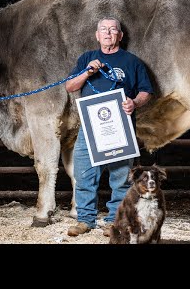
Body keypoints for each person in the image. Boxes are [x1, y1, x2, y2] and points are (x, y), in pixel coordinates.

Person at [65, 16, 153, 237]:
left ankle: (115, 221)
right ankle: (85, 220)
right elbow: (70, 86)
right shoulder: (87, 58)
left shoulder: (132, 62)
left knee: (121, 176)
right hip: (90, 128)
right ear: (97, 35)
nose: (108, 33)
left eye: (113, 30)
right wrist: (87, 72)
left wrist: (134, 102)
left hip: (121, 128)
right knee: (84, 172)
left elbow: (146, 92)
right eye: (103, 29)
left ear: (120, 36)